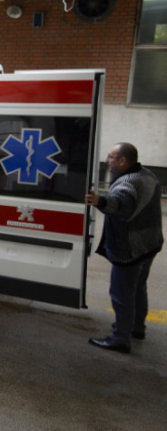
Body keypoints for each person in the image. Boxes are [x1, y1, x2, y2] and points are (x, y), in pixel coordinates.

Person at [85, 142, 162, 354]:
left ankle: (120, 338)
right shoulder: (147, 175)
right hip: (150, 243)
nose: (107, 161)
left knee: (122, 293)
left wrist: (99, 201)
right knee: (138, 287)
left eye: (111, 157)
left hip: (131, 248)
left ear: (123, 161)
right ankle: (137, 327)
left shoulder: (128, 182)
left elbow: (120, 204)